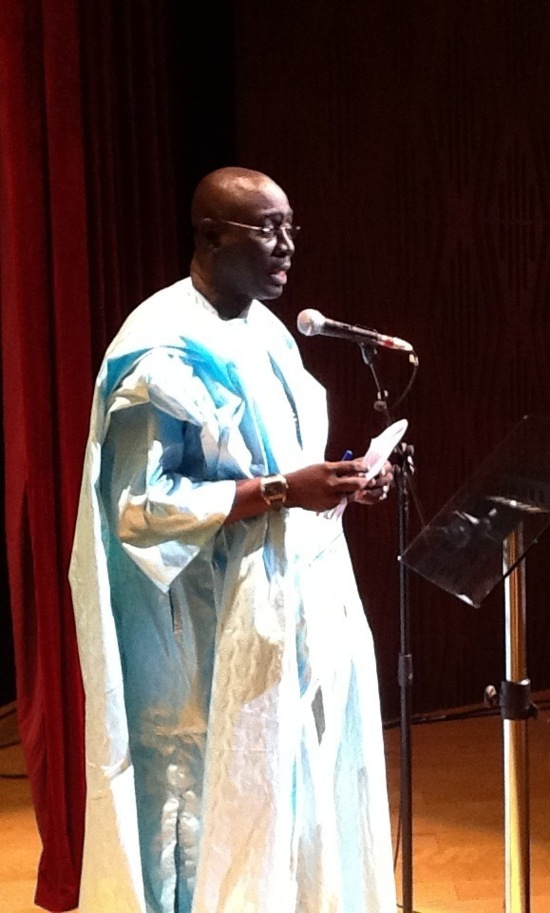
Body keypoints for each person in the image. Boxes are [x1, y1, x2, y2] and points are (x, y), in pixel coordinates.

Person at [69, 167, 397, 913]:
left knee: (282, 796)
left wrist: (340, 483)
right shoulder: (161, 347)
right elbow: (143, 507)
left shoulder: (266, 331)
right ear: (211, 235)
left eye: (291, 229)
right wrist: (287, 490)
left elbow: (277, 468)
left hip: (280, 620)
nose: (286, 246)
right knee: (213, 797)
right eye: (267, 229)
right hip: (198, 635)